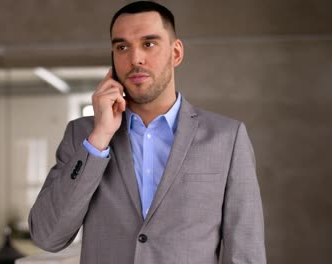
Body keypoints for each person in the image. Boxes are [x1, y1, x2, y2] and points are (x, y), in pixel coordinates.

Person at [28, 1, 266, 263]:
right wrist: (99, 140)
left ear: (176, 53)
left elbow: (246, 252)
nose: (135, 59)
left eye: (148, 44)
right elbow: (47, 236)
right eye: (122, 47)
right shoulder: (83, 136)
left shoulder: (227, 138)